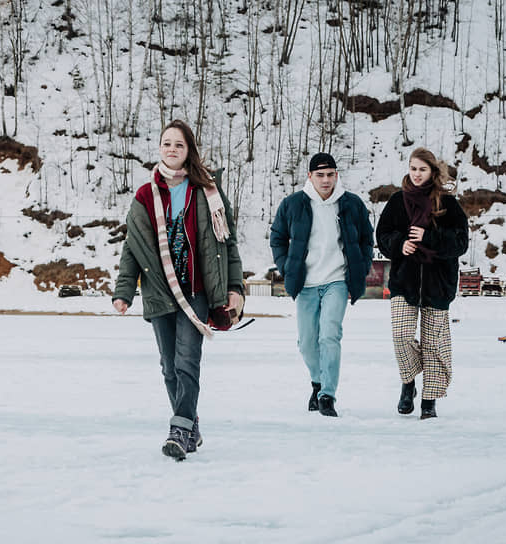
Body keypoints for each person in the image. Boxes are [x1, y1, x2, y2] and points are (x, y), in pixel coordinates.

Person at [112, 119, 245, 460]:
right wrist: (124, 291)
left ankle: (179, 429)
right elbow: (132, 248)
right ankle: (191, 427)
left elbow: (228, 245)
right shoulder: (145, 196)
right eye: (167, 143)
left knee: (187, 361)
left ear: (189, 151)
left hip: (196, 291)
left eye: (179, 144)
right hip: (160, 291)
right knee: (169, 366)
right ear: (160, 148)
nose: (172, 149)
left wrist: (235, 287)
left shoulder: (207, 193)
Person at [270, 152, 374, 417]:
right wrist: (286, 267)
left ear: (336, 175)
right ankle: (317, 381)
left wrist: (360, 269)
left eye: (330, 175)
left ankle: (327, 394)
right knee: (307, 342)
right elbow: (277, 237)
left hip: (337, 281)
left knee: (329, 334)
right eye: (320, 175)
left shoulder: (351, 204)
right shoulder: (293, 204)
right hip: (305, 283)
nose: (326, 180)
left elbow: (366, 238)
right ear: (310, 176)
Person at [375, 147, 468, 420]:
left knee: (433, 344)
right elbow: (382, 234)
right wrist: (399, 244)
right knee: (401, 335)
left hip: (438, 283)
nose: (416, 174)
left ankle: (429, 401)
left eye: (422, 169)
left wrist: (429, 237)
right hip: (404, 280)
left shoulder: (448, 204)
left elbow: (460, 242)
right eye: (413, 168)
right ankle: (408, 382)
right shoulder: (398, 201)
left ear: (432, 171)